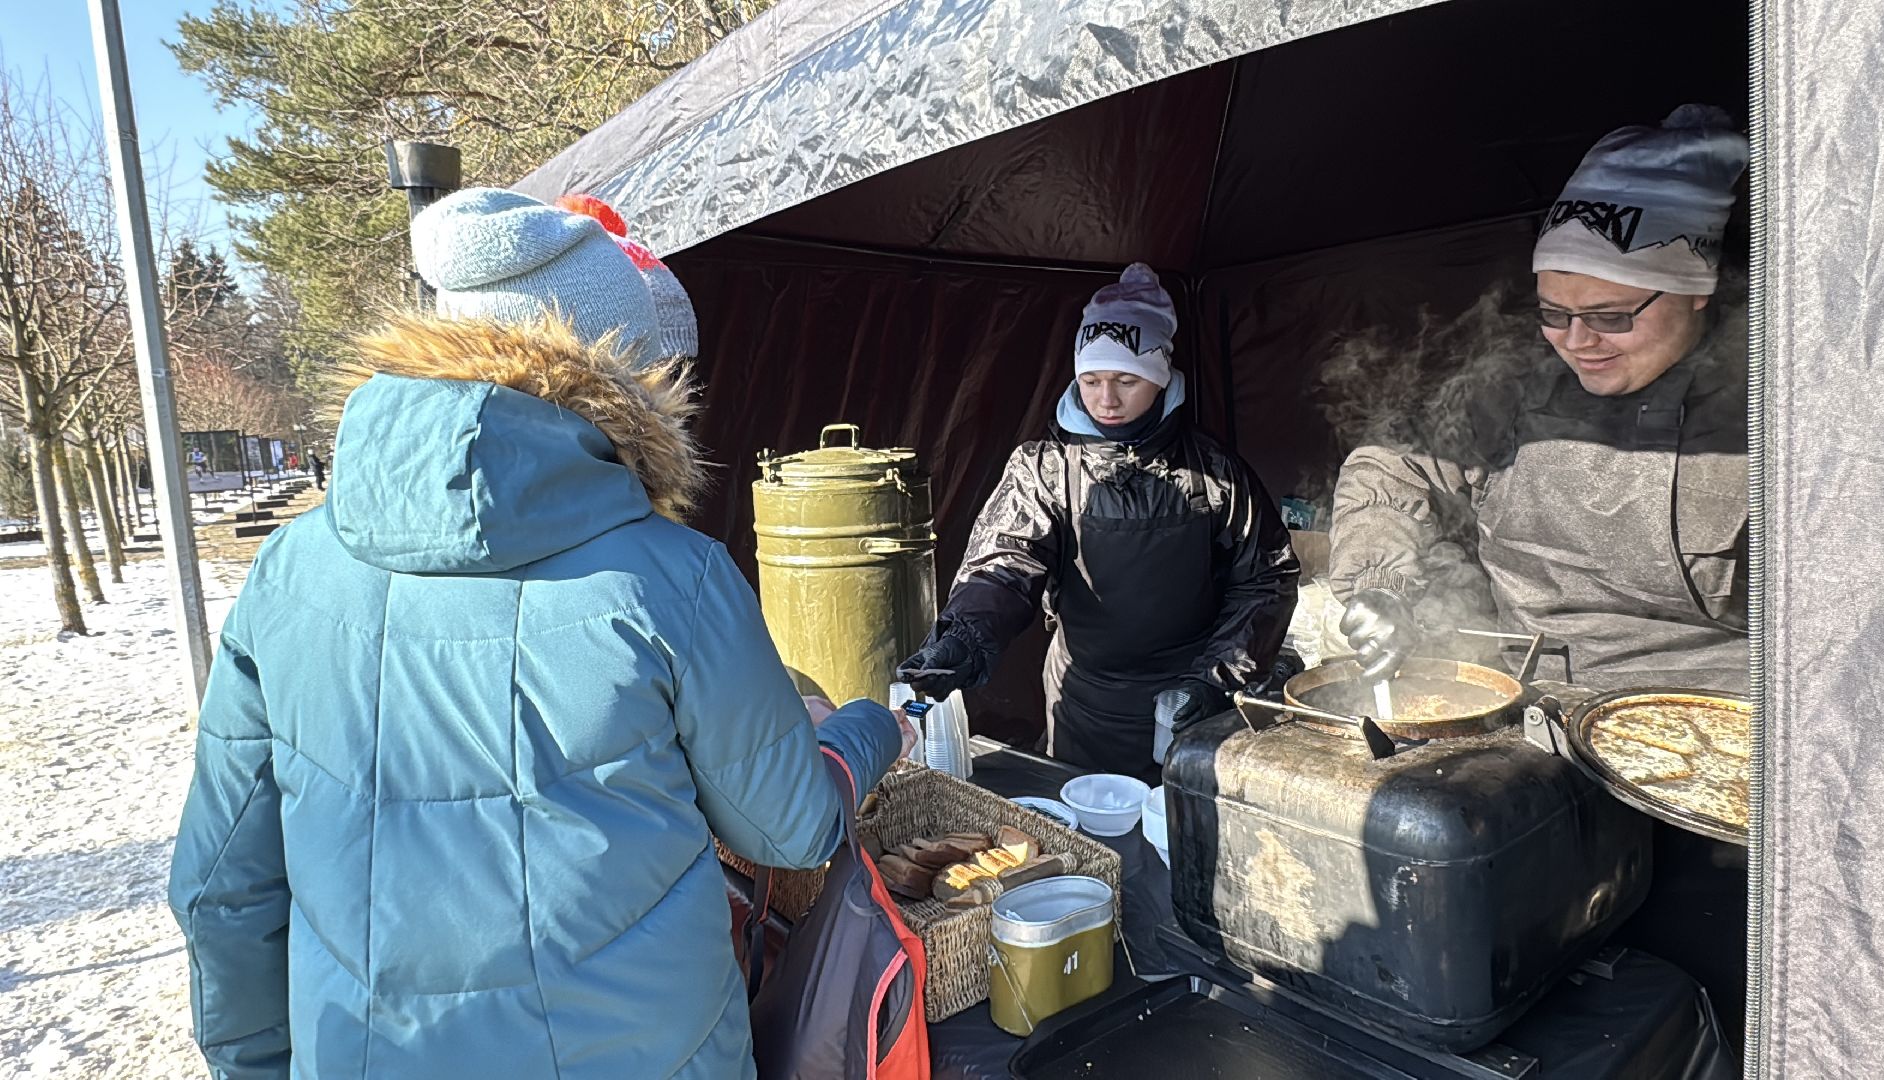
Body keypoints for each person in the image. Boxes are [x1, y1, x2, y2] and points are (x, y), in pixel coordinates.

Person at [168, 187, 906, 1079]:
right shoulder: (676, 576)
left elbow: (220, 887)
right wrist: (866, 727)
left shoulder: (287, 571)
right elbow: (787, 828)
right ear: (627, 379)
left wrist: (257, 1065)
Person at [1330, 106, 1750, 694]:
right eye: (1554, 314)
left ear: (1697, 291)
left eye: (1611, 316)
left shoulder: (1782, 401)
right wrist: (1378, 579)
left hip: (1722, 729)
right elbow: (1392, 464)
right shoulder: (1512, 386)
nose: (1578, 342)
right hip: (1522, 702)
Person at [900, 264, 1299, 778]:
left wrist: (1212, 682)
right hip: (1083, 701)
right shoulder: (1045, 467)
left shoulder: (1215, 472)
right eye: (1090, 380)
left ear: (1160, 378)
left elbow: (1266, 579)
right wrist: (965, 635)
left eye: (1126, 380)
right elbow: (1005, 563)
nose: (1106, 399)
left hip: (1189, 701)